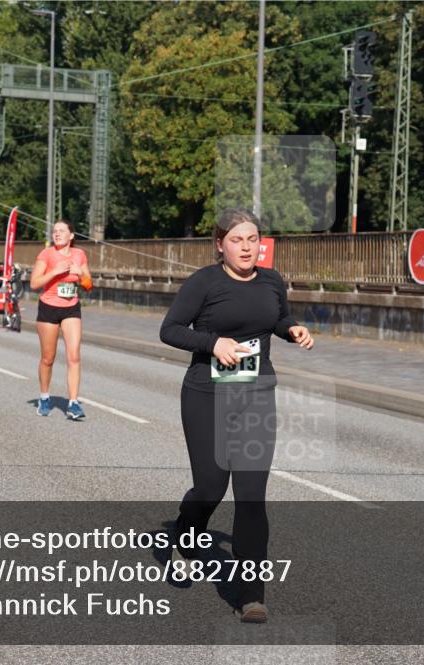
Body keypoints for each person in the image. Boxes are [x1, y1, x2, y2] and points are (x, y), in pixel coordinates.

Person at [159, 208, 314, 624]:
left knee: (250, 496)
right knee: (211, 487)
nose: (247, 247)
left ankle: (250, 596)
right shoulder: (204, 282)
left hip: (256, 393)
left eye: (253, 239)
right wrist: (213, 343)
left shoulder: (270, 280)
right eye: (237, 240)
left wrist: (292, 329)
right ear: (219, 244)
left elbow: (278, 317)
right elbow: (170, 329)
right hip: (206, 394)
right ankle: (185, 530)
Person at [29, 220, 92, 420]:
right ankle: (45, 396)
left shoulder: (79, 255)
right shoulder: (46, 255)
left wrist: (79, 273)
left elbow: (89, 285)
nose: (57, 234)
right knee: (48, 358)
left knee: (74, 356)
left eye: (61, 231)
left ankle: (73, 403)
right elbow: (34, 283)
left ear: (71, 235)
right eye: (55, 231)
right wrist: (55, 271)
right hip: (49, 308)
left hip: (71, 308)